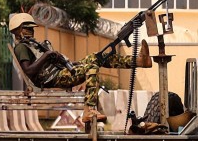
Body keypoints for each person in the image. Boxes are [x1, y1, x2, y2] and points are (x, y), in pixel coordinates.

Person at [9, 13, 151, 122]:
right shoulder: (22, 47)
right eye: (27, 28)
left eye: (31, 29)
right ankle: (88, 110)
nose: (31, 32)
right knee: (91, 68)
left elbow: (52, 63)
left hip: (61, 72)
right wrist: (48, 55)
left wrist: (66, 61)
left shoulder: (35, 45)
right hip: (52, 79)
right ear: (18, 30)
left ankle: (138, 61)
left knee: (97, 57)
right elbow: (29, 71)